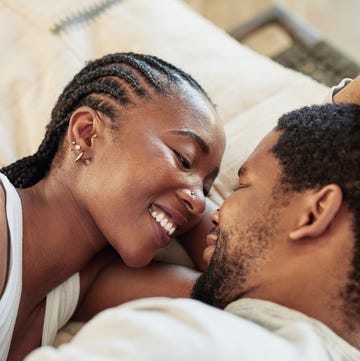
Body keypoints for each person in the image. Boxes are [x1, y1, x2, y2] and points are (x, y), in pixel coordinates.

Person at [25, 101, 360, 361]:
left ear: (314, 212)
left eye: (241, 187)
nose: (207, 210)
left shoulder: (182, 340)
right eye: (183, 160)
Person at [0, 52, 226, 361]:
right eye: (183, 158)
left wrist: (192, 203)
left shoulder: (78, 284)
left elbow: (242, 291)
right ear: (87, 134)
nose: (199, 201)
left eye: (207, 187)